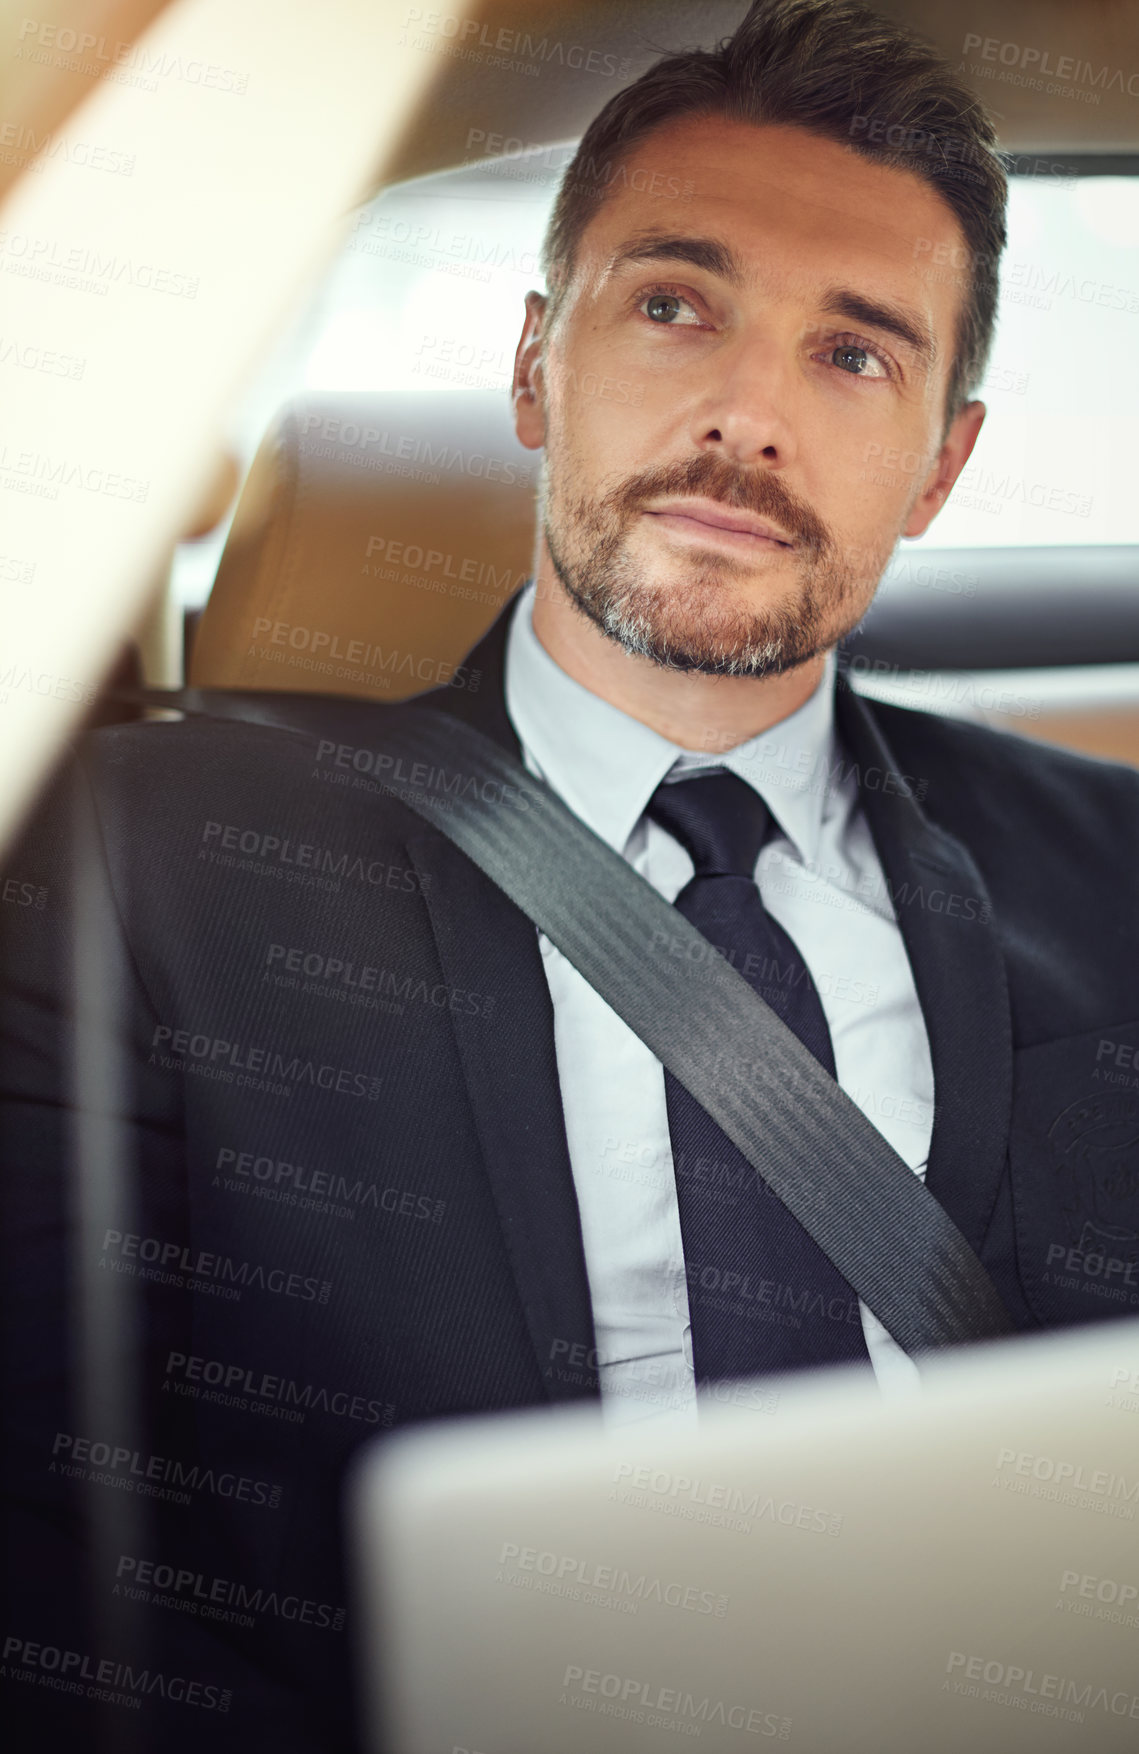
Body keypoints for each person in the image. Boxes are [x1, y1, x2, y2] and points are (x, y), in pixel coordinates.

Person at [3, 1, 1137, 1749]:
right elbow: (56, 1557)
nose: (751, 415)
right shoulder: (147, 863)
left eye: (855, 355)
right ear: (535, 366)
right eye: (676, 304)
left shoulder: (1113, 869)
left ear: (943, 465)